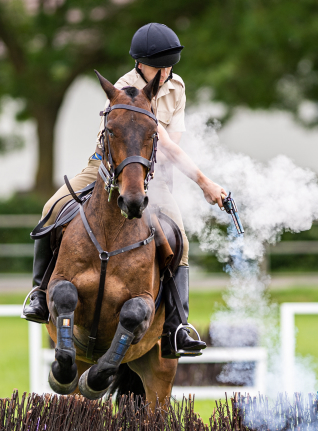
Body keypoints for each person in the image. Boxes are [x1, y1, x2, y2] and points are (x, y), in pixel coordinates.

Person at [23, 22, 226, 358]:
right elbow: (162, 139)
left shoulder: (176, 87)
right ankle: (39, 292)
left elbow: (174, 141)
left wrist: (162, 172)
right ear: (139, 64)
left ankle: (176, 327)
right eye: (158, 66)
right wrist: (204, 182)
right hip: (105, 169)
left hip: (152, 176)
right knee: (51, 208)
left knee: (181, 243)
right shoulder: (125, 90)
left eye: (170, 65)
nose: (166, 71)